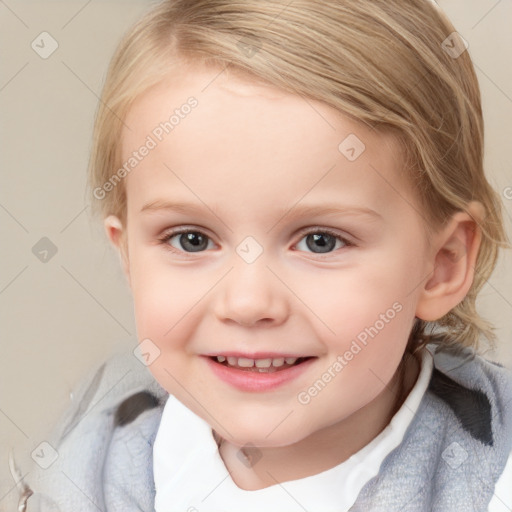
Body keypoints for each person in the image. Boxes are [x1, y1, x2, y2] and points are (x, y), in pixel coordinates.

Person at [9, 0, 512, 510]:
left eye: (321, 241)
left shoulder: (490, 480)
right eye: (192, 239)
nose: (248, 303)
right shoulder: (85, 466)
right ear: (129, 257)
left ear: (441, 265)